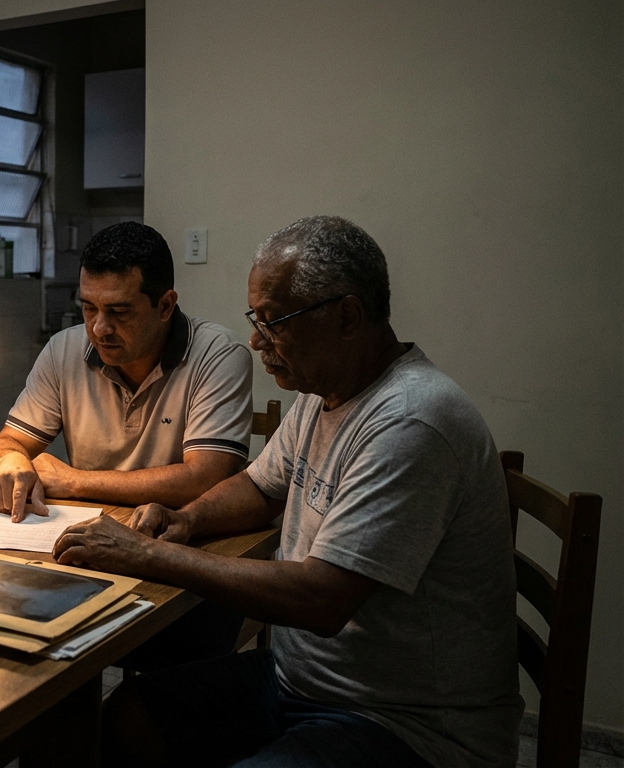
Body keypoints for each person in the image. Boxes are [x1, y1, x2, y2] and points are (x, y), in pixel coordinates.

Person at [55, 216, 521, 767]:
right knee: (130, 716)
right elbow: (258, 485)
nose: (255, 340)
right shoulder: (324, 393)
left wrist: (153, 554)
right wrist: (189, 521)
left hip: (404, 722)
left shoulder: (411, 421)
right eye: (256, 319)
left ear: (347, 316)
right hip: (301, 681)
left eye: (274, 321)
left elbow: (321, 598)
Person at [0, 221, 254, 665]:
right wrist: (12, 460)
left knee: (163, 671)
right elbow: (8, 441)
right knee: (14, 638)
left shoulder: (218, 356)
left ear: (166, 306)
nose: (98, 328)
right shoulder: (63, 350)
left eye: (120, 312)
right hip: (91, 552)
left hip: (184, 560)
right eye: (88, 308)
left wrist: (72, 481)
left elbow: (207, 477)